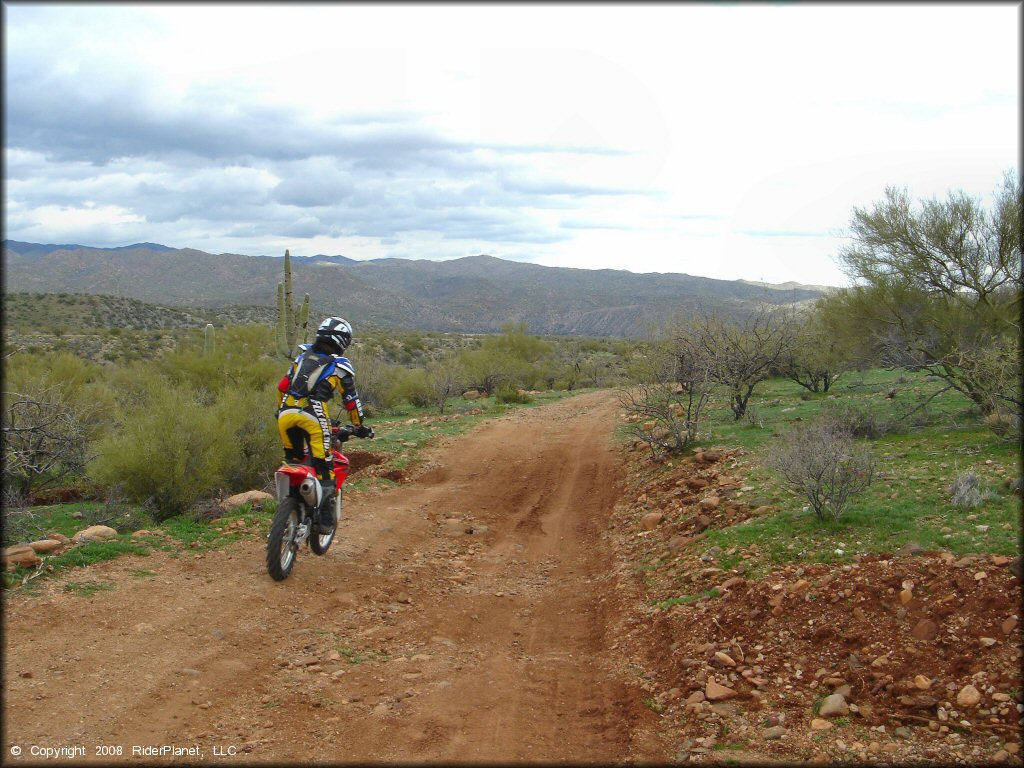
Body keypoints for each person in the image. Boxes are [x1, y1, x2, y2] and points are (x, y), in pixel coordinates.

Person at [277, 316, 372, 529]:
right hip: (312, 416)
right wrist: (359, 426)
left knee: (293, 459)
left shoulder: (301, 358)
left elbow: (282, 387)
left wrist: (280, 411)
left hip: (286, 414)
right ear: (343, 341)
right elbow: (351, 401)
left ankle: (290, 508)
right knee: (324, 465)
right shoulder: (339, 365)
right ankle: (326, 522)